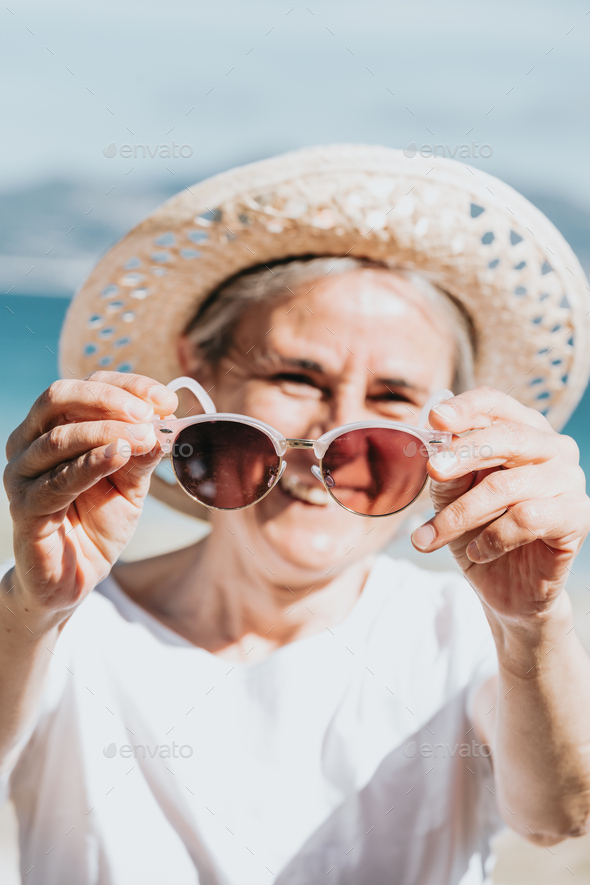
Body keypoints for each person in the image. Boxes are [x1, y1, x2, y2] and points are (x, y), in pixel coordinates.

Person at [2, 144, 590, 885]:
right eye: (293, 375)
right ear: (199, 371)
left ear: (451, 427)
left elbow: (558, 815)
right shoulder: (67, 631)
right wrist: (31, 601)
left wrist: (535, 622)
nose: (334, 441)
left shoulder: (463, 637)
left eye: (393, 397)